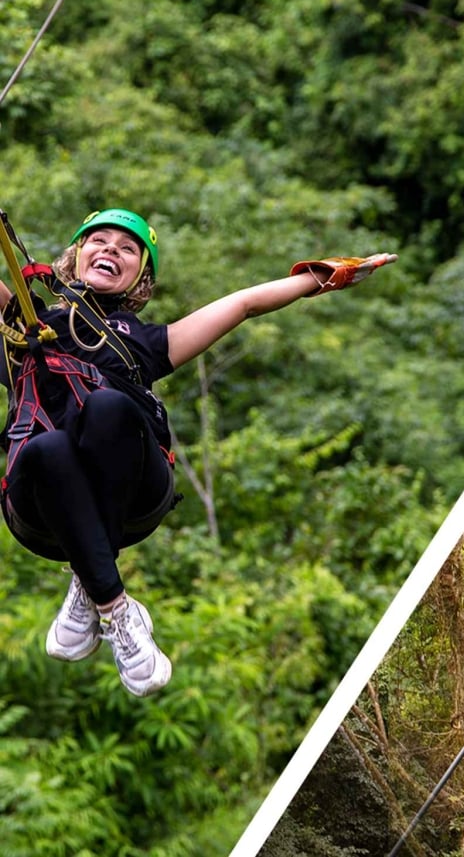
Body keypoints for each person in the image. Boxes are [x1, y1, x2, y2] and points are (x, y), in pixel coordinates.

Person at [0, 208, 395, 697]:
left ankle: (95, 584)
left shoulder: (145, 341)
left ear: (140, 278)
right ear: (74, 257)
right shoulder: (25, 325)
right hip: (37, 508)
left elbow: (246, 304)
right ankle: (110, 599)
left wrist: (327, 275)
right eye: (97, 241)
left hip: (134, 494)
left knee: (106, 409)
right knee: (47, 447)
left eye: (126, 249)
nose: (109, 250)